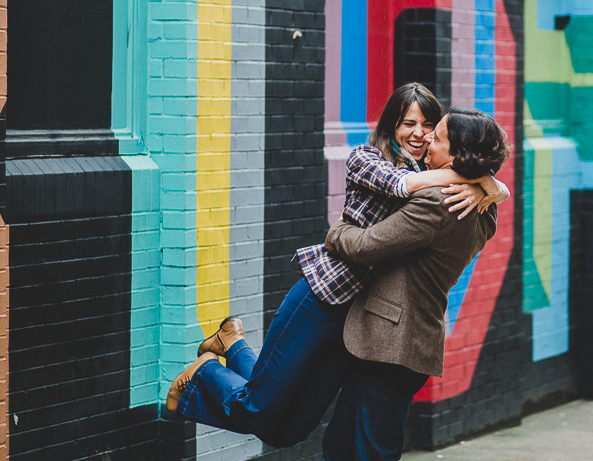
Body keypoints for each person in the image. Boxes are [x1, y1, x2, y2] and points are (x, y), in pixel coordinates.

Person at [164, 84, 508, 446]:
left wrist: (484, 183)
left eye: (430, 127)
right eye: (409, 123)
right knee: (258, 405)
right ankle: (205, 373)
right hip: (324, 293)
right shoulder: (367, 159)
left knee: (287, 429)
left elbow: (451, 182)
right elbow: (402, 185)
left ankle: (232, 343)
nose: (420, 134)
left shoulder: (441, 179)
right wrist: (479, 178)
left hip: (357, 320)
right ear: (392, 125)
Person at [321, 106, 510, 460]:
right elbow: (494, 188)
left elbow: (365, 246)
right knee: (341, 446)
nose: (426, 142)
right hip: (404, 341)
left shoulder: (438, 203)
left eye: (436, 138)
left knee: (371, 451)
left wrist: (338, 231)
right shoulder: (484, 207)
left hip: (391, 345)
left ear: (457, 155)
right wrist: (485, 184)